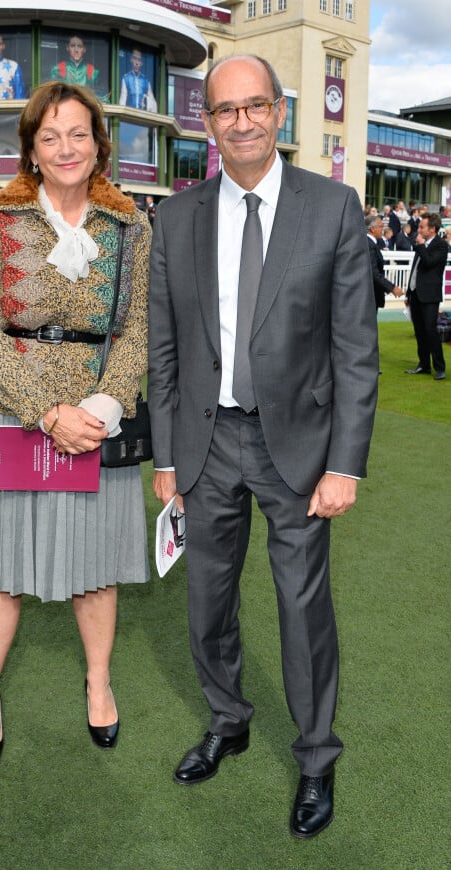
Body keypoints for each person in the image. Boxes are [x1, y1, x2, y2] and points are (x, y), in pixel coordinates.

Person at [148, 54, 378, 840]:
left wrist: (345, 463)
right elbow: (166, 350)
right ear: (206, 123)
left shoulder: (336, 208)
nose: (240, 121)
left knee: (301, 607)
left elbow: (355, 351)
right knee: (207, 599)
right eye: (224, 110)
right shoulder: (175, 218)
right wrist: (168, 458)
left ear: (279, 112)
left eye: (254, 107)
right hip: (206, 445)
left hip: (302, 448)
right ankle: (229, 719)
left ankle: (316, 759)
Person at [0, 81, 151, 771]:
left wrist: (100, 407)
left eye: (78, 134)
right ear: (31, 148)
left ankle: (98, 683)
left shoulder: (130, 228)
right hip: (6, 413)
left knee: (97, 570)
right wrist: (46, 410)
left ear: (99, 142)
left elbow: (135, 329)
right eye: (50, 136)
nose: (66, 148)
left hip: (96, 420)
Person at [404, 212, 447, 380]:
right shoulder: (420, 244)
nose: (419, 229)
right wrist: (409, 292)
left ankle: (440, 367)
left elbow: (429, 263)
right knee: (419, 331)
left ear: (432, 229)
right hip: (415, 294)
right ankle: (423, 364)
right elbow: (415, 268)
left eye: (422, 227)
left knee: (431, 331)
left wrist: (421, 246)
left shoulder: (441, 245)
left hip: (429, 295)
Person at [365, 215, 403, 310]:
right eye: (381, 226)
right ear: (373, 229)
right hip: (370, 295)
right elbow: (373, 272)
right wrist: (392, 287)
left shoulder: (370, 243)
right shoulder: (369, 245)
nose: (383, 229)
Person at [119, 48, 157, 112]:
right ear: (131, 60)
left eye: (139, 60)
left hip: (142, 115)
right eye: (135, 58)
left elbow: (153, 102)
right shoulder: (126, 78)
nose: (137, 63)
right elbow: (123, 98)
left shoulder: (145, 81)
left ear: (141, 63)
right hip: (129, 114)